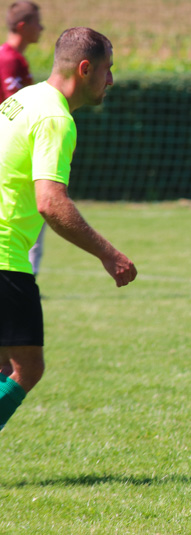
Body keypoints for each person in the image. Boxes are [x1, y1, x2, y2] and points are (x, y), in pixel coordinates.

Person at [0, 27, 137, 432]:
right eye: (107, 70)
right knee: (26, 366)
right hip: (5, 256)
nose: (110, 80)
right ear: (85, 68)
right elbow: (51, 202)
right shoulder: (56, 118)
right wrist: (109, 254)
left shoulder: (23, 99)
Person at [0, 0, 48, 277]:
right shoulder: (8, 59)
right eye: (36, 23)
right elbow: (17, 105)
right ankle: (24, 279)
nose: (41, 28)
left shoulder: (16, 59)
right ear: (22, 26)